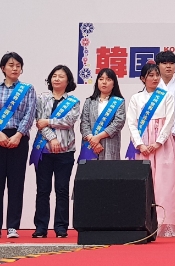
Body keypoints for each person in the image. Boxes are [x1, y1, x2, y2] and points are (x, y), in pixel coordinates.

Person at [127, 63, 175, 237]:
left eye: (157, 75)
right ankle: (142, 222)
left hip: (162, 145)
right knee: (144, 184)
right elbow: (132, 123)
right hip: (143, 144)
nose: (155, 78)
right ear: (143, 78)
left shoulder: (166, 96)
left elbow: (170, 120)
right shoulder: (136, 98)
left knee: (165, 184)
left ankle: (164, 225)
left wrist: (158, 142)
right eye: (150, 75)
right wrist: (140, 144)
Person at [31, 65, 80, 238]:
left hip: (66, 151)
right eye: (54, 76)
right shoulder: (42, 98)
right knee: (43, 190)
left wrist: (49, 121)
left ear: (68, 81)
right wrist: (51, 138)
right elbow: (39, 121)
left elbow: (69, 121)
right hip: (43, 150)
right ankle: (41, 227)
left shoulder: (73, 101)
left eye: (61, 76)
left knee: (62, 189)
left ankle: (61, 227)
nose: (57, 79)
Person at [0, 52, 36, 239]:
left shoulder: (27, 89)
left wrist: (18, 135)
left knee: (15, 184)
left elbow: (30, 114)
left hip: (18, 139)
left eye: (18, 65)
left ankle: (12, 226)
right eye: (11, 65)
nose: (15, 68)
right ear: (3, 68)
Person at [79, 68, 126, 160]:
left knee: (109, 173)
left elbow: (118, 123)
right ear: (97, 82)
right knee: (89, 173)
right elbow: (84, 123)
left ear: (114, 84)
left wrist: (98, 137)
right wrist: (93, 141)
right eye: (101, 79)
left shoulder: (119, 102)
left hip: (109, 145)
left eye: (108, 79)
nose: (104, 82)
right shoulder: (89, 101)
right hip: (90, 146)